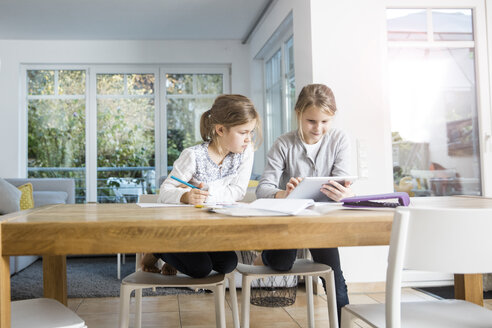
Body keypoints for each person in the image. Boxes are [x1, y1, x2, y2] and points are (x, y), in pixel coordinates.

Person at [255, 83, 354, 319]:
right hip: (291, 220)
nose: (318, 129)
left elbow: (343, 182)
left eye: (325, 122)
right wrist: (284, 194)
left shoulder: (339, 140)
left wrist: (344, 194)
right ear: (298, 114)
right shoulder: (283, 144)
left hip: (322, 222)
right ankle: (266, 254)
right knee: (281, 264)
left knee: (334, 277)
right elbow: (263, 188)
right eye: (311, 121)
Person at [142, 94, 262, 278]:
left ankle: (175, 257)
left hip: (209, 233)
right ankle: (159, 248)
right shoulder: (193, 156)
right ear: (220, 130)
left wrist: (207, 191)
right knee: (200, 269)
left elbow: (237, 192)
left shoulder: (245, 153)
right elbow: (165, 192)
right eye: (243, 132)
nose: (248, 139)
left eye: (251, 132)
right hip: (181, 231)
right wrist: (185, 196)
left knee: (229, 263)